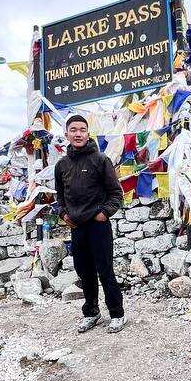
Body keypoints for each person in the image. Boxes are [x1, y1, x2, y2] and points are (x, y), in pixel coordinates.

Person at [54, 114, 126, 333]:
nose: (78, 134)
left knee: (105, 271)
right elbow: (60, 196)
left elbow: (116, 194)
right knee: (84, 272)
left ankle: (117, 314)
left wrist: (104, 214)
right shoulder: (62, 165)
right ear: (66, 134)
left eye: (82, 130)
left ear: (88, 133)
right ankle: (91, 313)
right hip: (77, 228)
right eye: (73, 130)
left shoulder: (100, 159)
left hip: (98, 225)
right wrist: (64, 215)